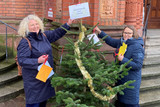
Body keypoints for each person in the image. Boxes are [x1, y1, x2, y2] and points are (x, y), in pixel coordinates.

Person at [17, 14, 74, 107]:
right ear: (26, 28)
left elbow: (56, 33)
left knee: (43, 102)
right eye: (32, 25)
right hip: (33, 80)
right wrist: (37, 60)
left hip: (44, 75)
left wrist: (68, 24)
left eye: (37, 24)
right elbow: (22, 60)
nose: (35, 26)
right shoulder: (25, 41)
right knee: (34, 103)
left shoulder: (44, 35)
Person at [95, 25, 144, 107]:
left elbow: (138, 65)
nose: (126, 35)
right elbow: (110, 40)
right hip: (120, 80)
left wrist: (123, 59)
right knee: (120, 101)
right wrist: (99, 31)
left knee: (130, 103)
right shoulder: (122, 42)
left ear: (134, 34)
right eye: (125, 32)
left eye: (129, 33)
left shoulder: (137, 46)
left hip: (130, 81)